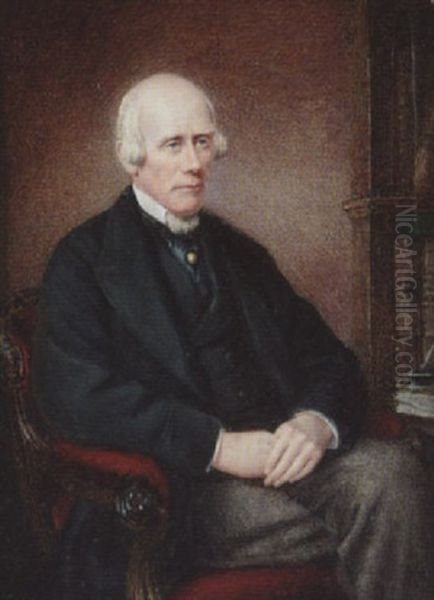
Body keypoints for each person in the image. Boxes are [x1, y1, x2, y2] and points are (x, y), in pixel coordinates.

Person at [32, 73, 434, 599]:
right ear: (133, 158)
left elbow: (330, 359)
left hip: (285, 462)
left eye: (202, 142)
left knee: (396, 474)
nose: (194, 163)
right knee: (393, 512)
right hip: (179, 495)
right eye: (173, 145)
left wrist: (314, 423)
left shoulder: (241, 253)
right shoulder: (83, 260)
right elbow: (75, 398)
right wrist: (216, 446)